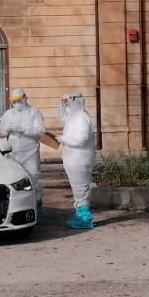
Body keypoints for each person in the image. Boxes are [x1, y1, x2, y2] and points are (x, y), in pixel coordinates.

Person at [0, 88, 46, 209]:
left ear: (25, 98)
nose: (16, 103)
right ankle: (18, 207)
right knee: (14, 181)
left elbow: (40, 131)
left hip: (30, 154)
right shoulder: (8, 114)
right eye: (14, 101)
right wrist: (5, 130)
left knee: (33, 179)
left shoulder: (34, 113)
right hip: (13, 154)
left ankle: (37, 207)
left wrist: (23, 129)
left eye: (19, 100)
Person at [57, 91, 97, 230]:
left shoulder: (81, 118)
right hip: (74, 159)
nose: (67, 105)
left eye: (69, 102)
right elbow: (62, 115)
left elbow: (81, 139)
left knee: (80, 188)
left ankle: (85, 219)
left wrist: (63, 139)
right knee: (78, 187)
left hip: (80, 159)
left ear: (75, 102)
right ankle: (81, 215)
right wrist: (62, 101)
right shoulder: (73, 117)